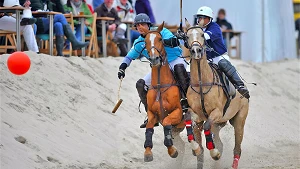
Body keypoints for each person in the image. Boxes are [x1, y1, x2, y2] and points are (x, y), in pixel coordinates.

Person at [117, 13, 189, 128]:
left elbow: (175, 42)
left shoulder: (162, 31)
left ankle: (187, 102)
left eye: (142, 24)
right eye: (137, 25)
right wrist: (122, 68)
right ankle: (150, 115)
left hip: (175, 60)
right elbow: (129, 57)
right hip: (159, 67)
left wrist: (174, 38)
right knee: (141, 84)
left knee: (179, 70)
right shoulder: (139, 42)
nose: (139, 27)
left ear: (148, 24)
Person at [178, 6, 250, 99]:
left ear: (210, 19)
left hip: (218, 56)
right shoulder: (195, 30)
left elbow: (204, 37)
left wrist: (190, 35)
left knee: (224, 64)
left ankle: (240, 86)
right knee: (187, 70)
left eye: (204, 18)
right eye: (199, 17)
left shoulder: (215, 27)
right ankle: (185, 95)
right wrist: (184, 37)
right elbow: (189, 45)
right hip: (203, 59)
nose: (201, 20)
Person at [19, 0, 89, 56]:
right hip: (36, 23)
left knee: (58, 24)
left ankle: (60, 53)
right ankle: (74, 42)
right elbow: (35, 9)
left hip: (47, 23)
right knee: (60, 16)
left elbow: (62, 11)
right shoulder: (34, 1)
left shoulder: (49, 2)